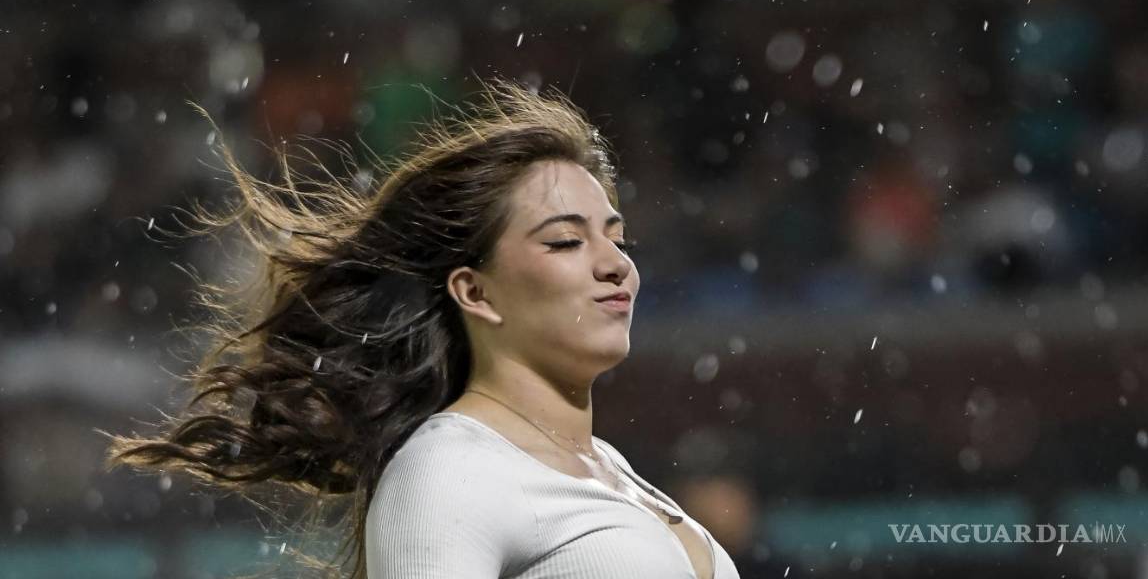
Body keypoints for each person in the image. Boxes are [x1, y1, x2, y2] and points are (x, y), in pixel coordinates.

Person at [102, 77, 741, 579]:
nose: (616, 265)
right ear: (474, 290)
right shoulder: (450, 470)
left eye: (617, 238)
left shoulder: (612, 471)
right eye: (567, 241)